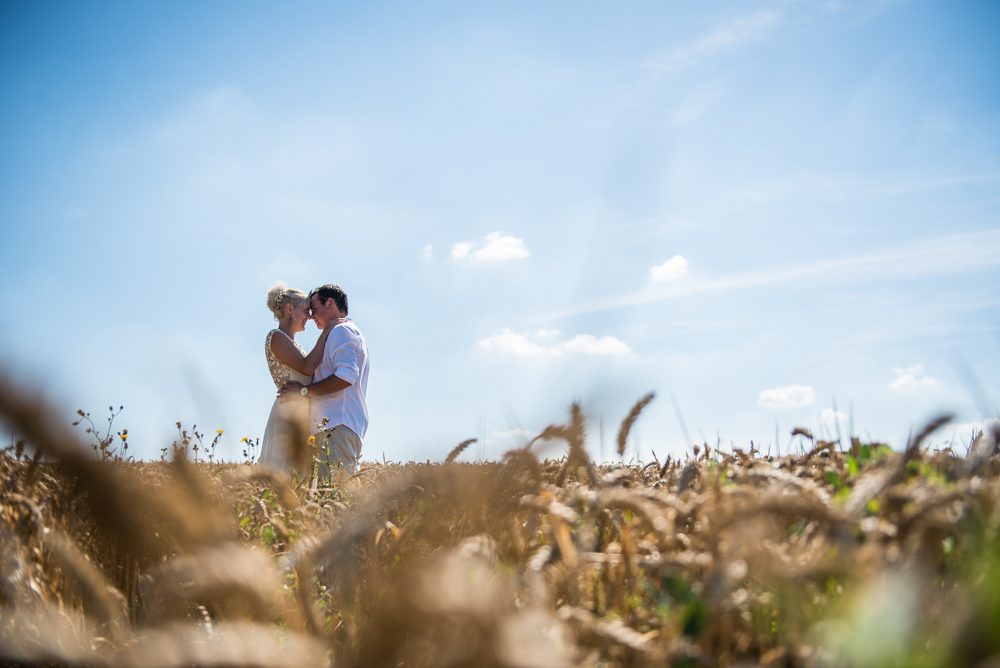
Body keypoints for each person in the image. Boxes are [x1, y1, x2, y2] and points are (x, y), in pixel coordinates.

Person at [278, 284, 369, 476]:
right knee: (328, 497)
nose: (311, 316)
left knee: (335, 497)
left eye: (314, 309)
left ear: (330, 304)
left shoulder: (340, 330)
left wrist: (304, 392)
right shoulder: (342, 332)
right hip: (334, 427)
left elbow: (346, 376)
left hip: (336, 426)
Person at [259, 283, 343, 476]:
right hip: (289, 412)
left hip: (304, 412)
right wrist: (327, 332)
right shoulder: (276, 337)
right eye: (306, 311)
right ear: (290, 309)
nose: (310, 316)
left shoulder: (294, 343)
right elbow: (306, 367)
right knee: (285, 472)